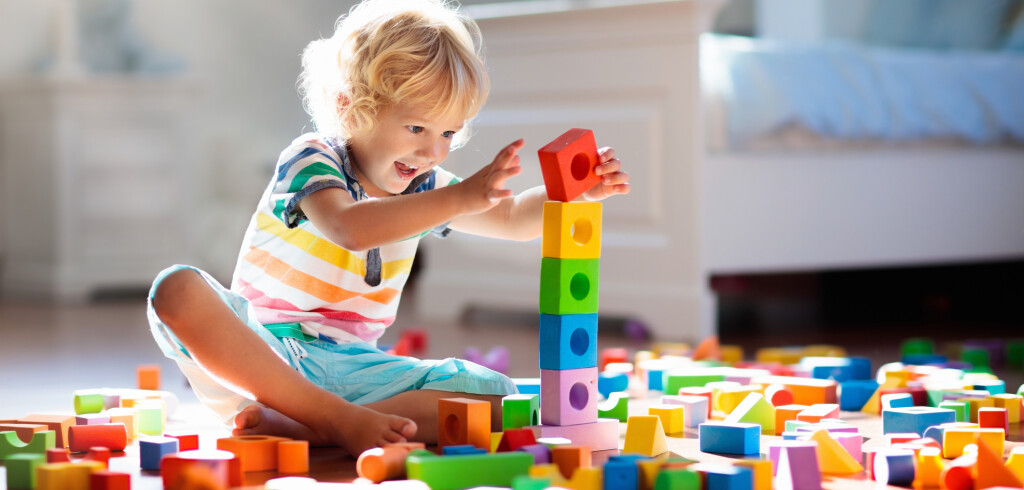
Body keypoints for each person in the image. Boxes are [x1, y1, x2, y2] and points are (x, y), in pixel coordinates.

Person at [147, 0, 631, 457]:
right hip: (263, 361)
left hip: (357, 368)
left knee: (498, 399)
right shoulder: (312, 159)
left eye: (447, 133)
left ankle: (312, 426)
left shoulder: (426, 185)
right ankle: (329, 418)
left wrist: (573, 192)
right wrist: (459, 196)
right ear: (350, 106)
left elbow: (512, 219)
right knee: (176, 289)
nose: (434, 153)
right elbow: (347, 227)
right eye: (417, 129)